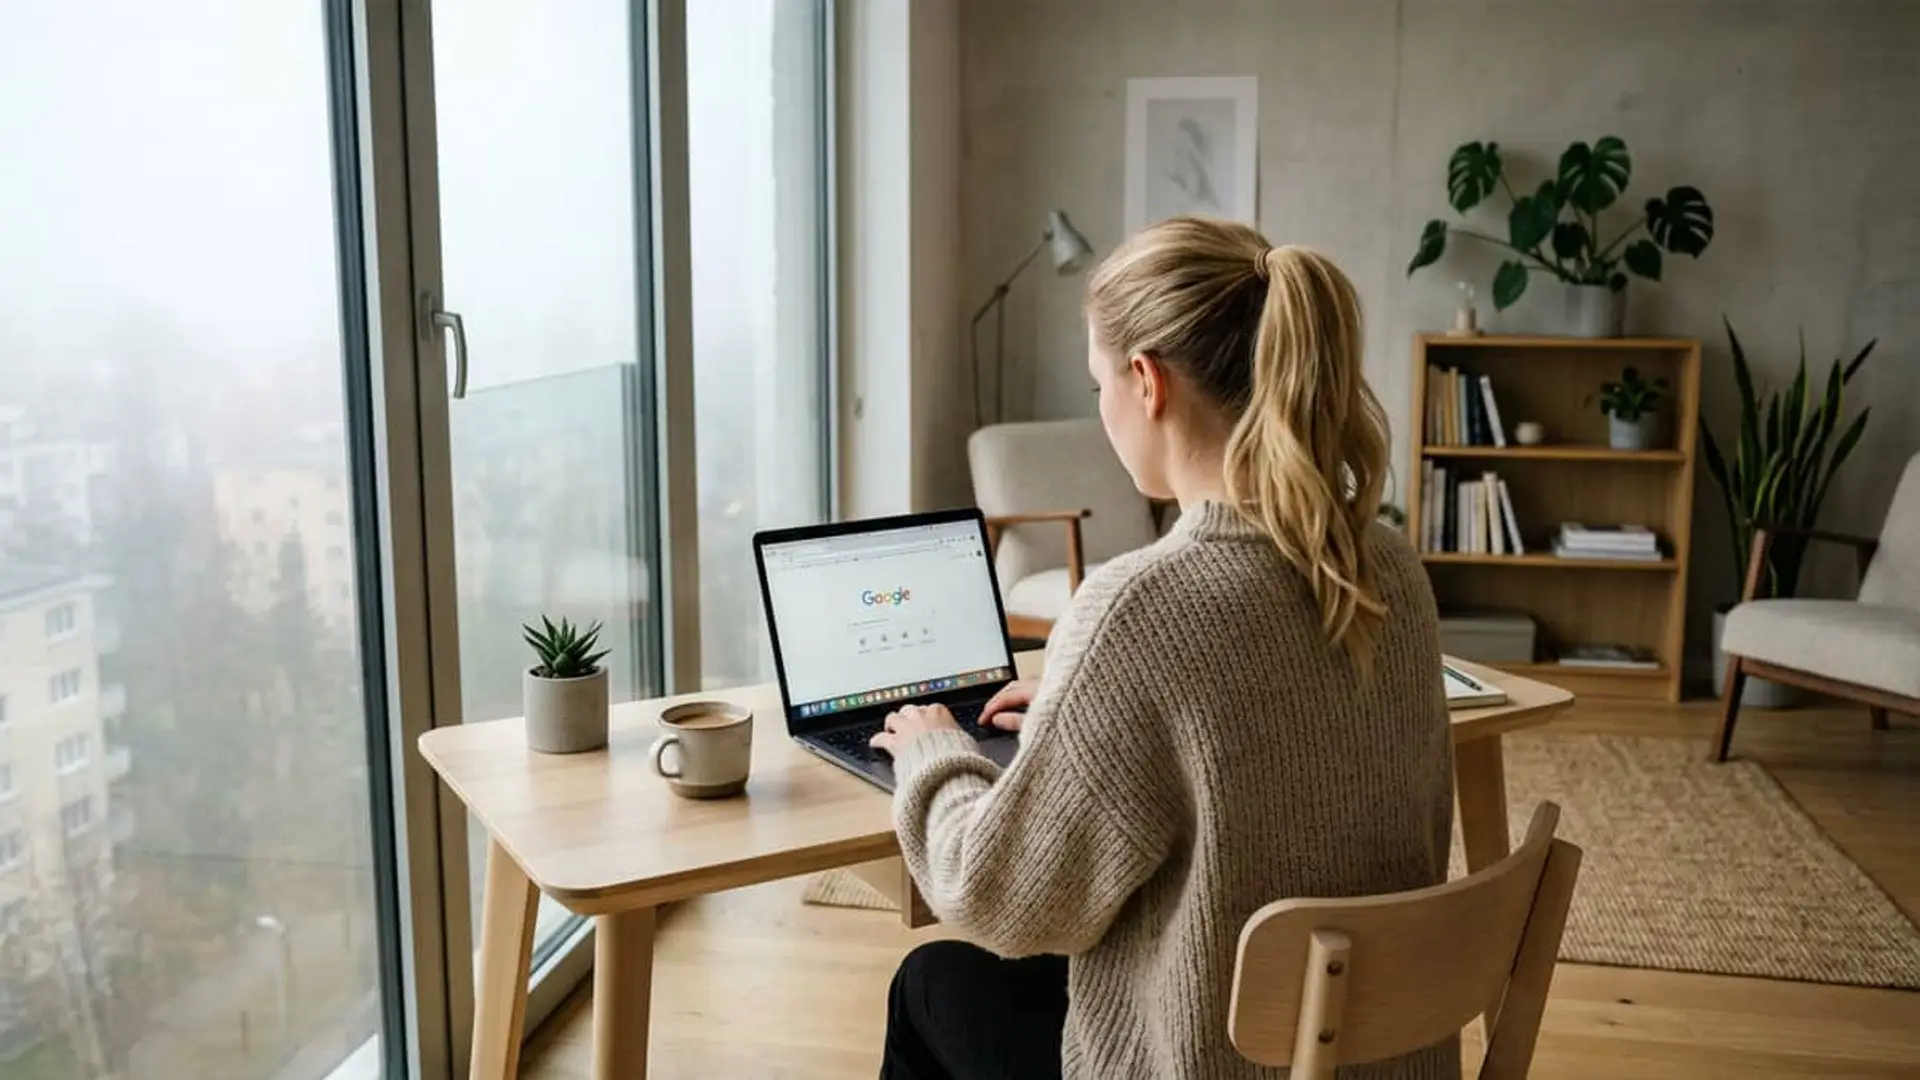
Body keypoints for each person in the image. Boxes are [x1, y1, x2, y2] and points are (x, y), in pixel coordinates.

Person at [869, 215, 1456, 1080]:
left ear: (1146, 382)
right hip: (1378, 1057)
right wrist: (1082, 722)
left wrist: (936, 755)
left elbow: (1000, 897)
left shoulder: (1138, 610)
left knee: (929, 984)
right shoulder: (1389, 567)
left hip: (1211, 1062)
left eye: (1098, 384)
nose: (1101, 410)